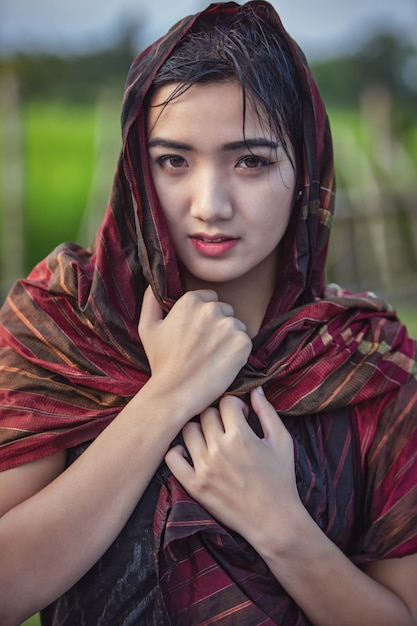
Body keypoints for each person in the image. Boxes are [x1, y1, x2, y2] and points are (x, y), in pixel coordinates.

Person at [0, 1, 416, 624]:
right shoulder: (67, 323)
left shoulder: (363, 362)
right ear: (139, 173)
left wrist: (280, 525)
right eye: (174, 161)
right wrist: (166, 395)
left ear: (305, 170)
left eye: (251, 161)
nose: (210, 204)